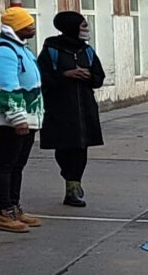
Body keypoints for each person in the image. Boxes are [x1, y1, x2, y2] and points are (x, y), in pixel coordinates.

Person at [0, 5, 44, 231]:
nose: (33, 27)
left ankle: (15, 208)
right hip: (5, 123)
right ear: (17, 27)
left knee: (17, 166)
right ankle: (4, 213)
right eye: (28, 24)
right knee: (5, 166)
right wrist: (18, 118)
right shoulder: (4, 53)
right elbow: (6, 88)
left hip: (25, 119)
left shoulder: (22, 50)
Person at [37, 11, 105, 207]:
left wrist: (89, 76)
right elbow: (42, 78)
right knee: (64, 148)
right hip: (59, 109)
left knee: (81, 148)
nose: (86, 30)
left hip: (84, 108)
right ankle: (69, 177)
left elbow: (99, 78)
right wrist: (66, 75)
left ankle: (73, 186)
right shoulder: (51, 50)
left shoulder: (87, 51)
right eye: (82, 26)